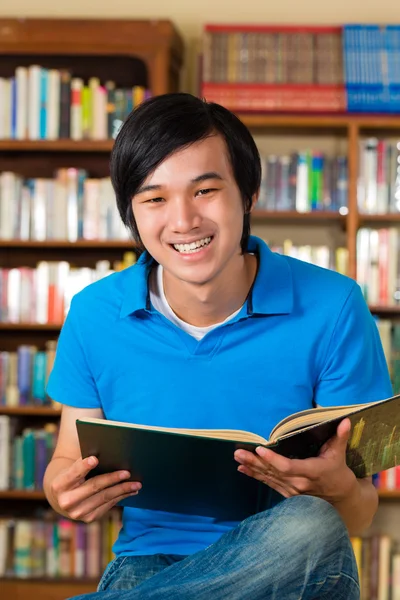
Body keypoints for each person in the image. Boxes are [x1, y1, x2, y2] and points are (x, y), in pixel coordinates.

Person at [43, 93, 392, 600]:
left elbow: (358, 512)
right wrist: (62, 491)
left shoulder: (333, 305)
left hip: (295, 564)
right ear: (132, 213)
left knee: (311, 524)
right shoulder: (95, 313)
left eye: (205, 190)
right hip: (152, 567)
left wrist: (336, 486)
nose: (183, 221)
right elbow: (65, 462)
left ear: (248, 193)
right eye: (154, 198)